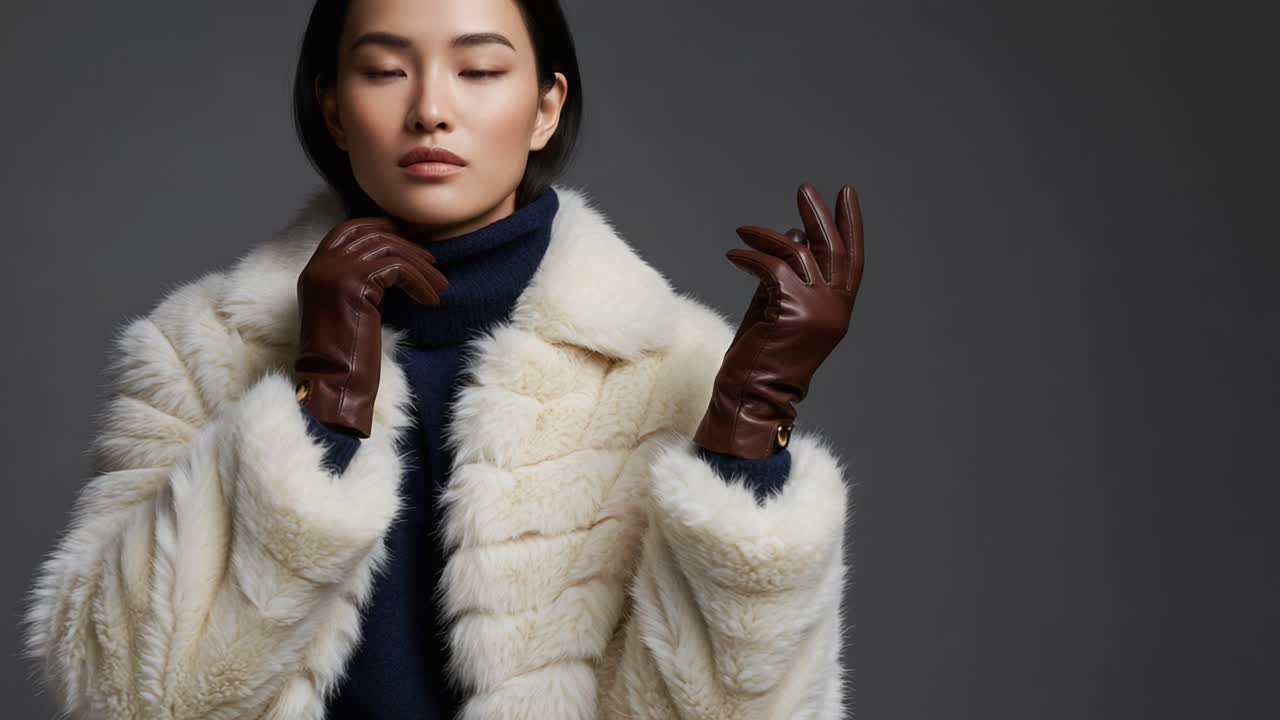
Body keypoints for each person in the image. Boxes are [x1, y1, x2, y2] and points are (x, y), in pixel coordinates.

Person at [21, 0, 865, 718]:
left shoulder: (673, 367)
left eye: (479, 70)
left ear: (544, 106)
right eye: (385, 70)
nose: (429, 108)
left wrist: (748, 426)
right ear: (331, 108)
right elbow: (124, 692)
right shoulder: (204, 349)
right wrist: (323, 404)